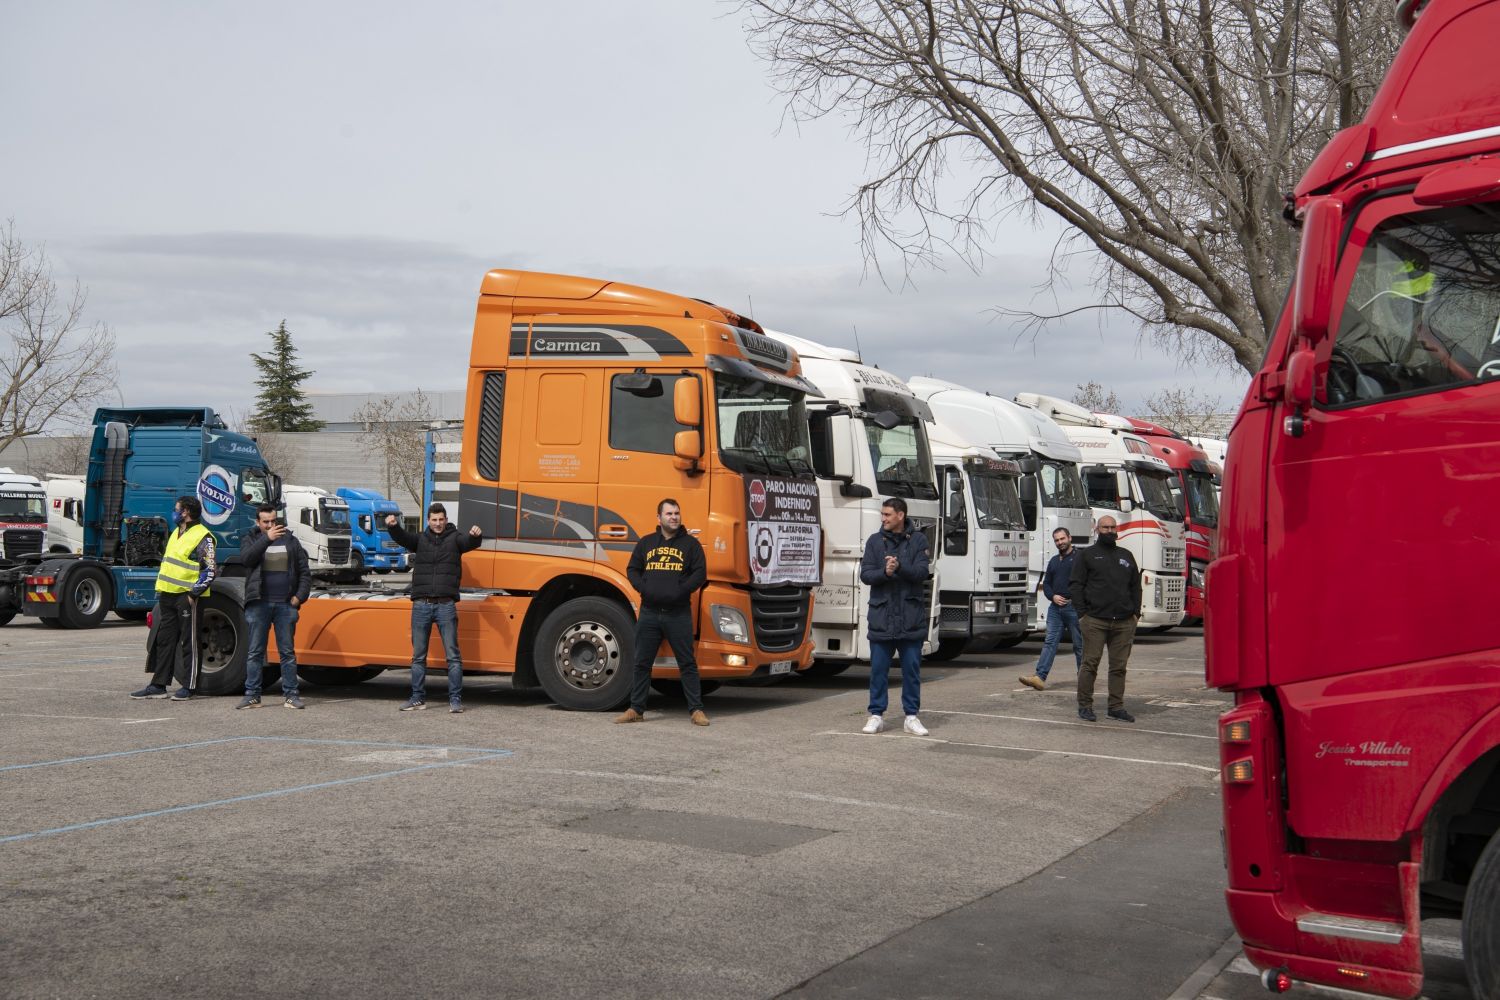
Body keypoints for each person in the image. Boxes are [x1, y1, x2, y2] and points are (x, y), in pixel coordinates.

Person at [616, 499, 709, 727]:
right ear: (659, 518)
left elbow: (700, 573)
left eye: (677, 513)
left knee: (687, 663)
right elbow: (632, 569)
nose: (674, 517)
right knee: (642, 663)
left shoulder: (691, 545)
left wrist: (681, 589)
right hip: (649, 613)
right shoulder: (647, 543)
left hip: (678, 614)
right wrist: (644, 587)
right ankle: (636, 709)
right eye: (669, 513)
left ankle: (696, 710)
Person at [384, 504, 483, 713]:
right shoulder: (420, 539)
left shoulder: (455, 538)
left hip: (446, 605)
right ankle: (417, 698)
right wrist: (393, 527)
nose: (438, 523)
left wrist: (475, 536)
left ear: (446, 519)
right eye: (434, 520)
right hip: (421, 605)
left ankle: (455, 700)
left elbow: (469, 542)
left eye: (441, 519)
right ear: (428, 521)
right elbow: (403, 537)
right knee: (418, 656)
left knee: (453, 657)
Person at [130, 495, 217, 701]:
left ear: (185, 511)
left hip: (186, 597)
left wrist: (193, 593)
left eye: (176, 509)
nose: (174, 512)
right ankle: (158, 685)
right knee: (164, 641)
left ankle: (189, 686)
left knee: (190, 642)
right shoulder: (177, 532)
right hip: (168, 594)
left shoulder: (203, 536)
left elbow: (210, 570)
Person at [859, 497, 932, 736]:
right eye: (882, 514)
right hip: (882, 617)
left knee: (911, 670)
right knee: (878, 670)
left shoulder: (919, 540)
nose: (883, 519)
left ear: (900, 515)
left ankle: (911, 717)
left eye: (888, 515)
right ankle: (876, 715)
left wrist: (899, 567)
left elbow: (922, 572)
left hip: (910, 618)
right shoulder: (874, 541)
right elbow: (866, 575)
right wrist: (885, 572)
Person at [236, 504, 312, 710]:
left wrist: (298, 598)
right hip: (258, 604)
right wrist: (266, 539)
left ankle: (291, 695)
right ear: (258, 522)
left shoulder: (291, 541)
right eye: (266, 522)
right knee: (255, 652)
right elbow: (247, 560)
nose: (271, 525)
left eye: (273, 521)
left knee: (287, 652)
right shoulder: (250, 539)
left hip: (285, 605)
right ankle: (252, 695)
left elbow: (305, 572)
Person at [1071, 515, 1141, 723]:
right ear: (1097, 529)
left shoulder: (1126, 555)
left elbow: (1135, 587)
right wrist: (1082, 614)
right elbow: (1076, 585)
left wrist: (1135, 613)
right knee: (1090, 664)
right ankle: (1085, 706)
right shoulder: (1087, 555)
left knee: (1119, 667)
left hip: (1123, 621)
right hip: (1094, 621)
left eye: (1112, 527)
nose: (1109, 531)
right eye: (1105, 527)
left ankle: (1116, 707)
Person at [1020, 527, 1083, 692]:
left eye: (1062, 539)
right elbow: (1047, 584)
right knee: (1049, 642)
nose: (1060, 542)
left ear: (1069, 537)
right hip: (1055, 609)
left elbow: (1086, 581)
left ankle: (1084, 678)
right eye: (1057, 540)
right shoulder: (1054, 561)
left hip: (1074, 608)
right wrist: (1052, 596)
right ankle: (1039, 677)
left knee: (1079, 645)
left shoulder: (1079, 558)